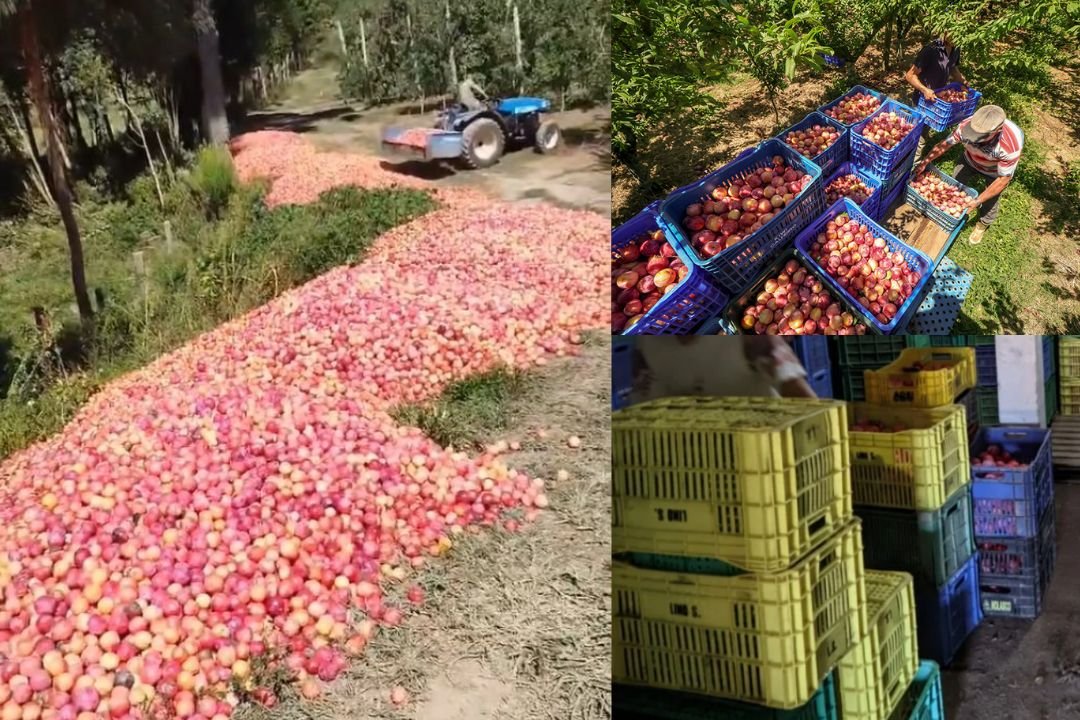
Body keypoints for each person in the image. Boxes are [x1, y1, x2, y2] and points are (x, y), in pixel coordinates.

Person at [914, 104, 1024, 245]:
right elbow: (945, 145)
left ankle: (983, 223)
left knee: (991, 199)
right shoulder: (966, 125)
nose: (973, 138)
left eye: (979, 137)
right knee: (954, 186)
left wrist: (977, 201)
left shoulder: (1010, 146)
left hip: (994, 171)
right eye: (973, 133)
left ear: (997, 131)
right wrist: (925, 161)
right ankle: (946, 212)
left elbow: (1003, 180)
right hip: (969, 159)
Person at [630, 337, 817, 403]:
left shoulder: (749, 340)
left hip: (762, 453)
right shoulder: (649, 345)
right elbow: (645, 406)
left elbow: (795, 389)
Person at [904, 32, 969, 158]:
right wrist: (924, 90)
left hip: (938, 100)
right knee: (918, 136)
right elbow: (910, 75)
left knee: (923, 132)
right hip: (923, 101)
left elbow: (953, 67)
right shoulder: (930, 50)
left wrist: (962, 80)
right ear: (944, 31)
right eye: (952, 32)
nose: (956, 37)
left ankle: (911, 157)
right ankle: (911, 166)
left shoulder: (956, 48)